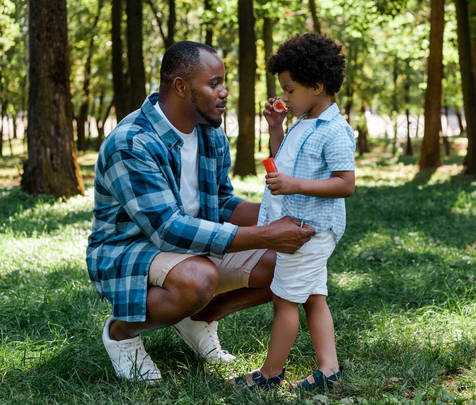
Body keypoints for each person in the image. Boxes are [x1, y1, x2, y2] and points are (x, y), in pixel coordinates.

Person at [86, 41, 314, 382]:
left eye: (224, 82)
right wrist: (268, 233)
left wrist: (285, 215)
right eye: (214, 83)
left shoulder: (211, 134)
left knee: (287, 260)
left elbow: (221, 202)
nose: (224, 92)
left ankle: (199, 319)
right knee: (198, 278)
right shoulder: (132, 142)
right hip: (131, 250)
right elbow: (167, 230)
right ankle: (121, 333)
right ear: (181, 86)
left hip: (192, 245)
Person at [230, 33, 355, 391]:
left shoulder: (334, 130)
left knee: (284, 301)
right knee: (315, 297)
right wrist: (274, 129)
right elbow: (282, 161)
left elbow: (346, 184)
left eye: (290, 89)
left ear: (316, 86)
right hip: (299, 227)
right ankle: (329, 369)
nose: (285, 97)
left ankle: (270, 374)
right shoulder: (303, 123)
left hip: (309, 231)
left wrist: (295, 186)